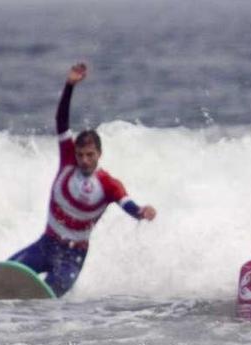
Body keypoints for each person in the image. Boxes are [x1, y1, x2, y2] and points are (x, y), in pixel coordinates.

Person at [8, 62, 156, 297]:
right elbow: (61, 121)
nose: (84, 160)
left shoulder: (108, 184)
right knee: (8, 273)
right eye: (81, 155)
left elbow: (127, 203)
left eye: (90, 155)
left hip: (72, 258)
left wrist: (141, 212)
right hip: (46, 245)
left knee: (48, 296)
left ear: (99, 154)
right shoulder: (67, 162)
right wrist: (69, 86)